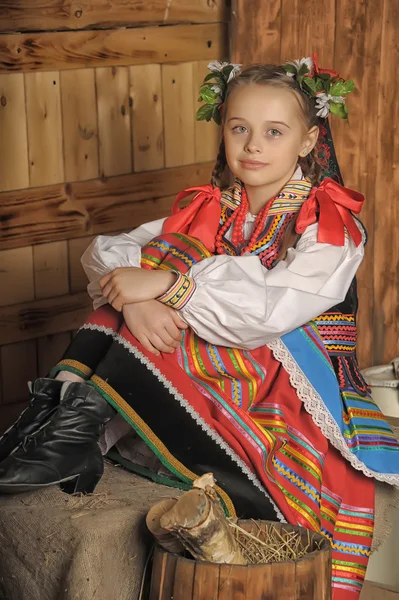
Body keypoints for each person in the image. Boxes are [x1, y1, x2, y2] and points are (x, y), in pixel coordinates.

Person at [0, 56, 398, 598]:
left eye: (273, 132)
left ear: (308, 141)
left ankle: (72, 422)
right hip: (222, 367)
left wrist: (165, 286)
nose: (253, 146)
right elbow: (108, 254)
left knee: (161, 271)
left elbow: (265, 317)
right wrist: (140, 298)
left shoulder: (328, 223)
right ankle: (73, 426)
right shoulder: (211, 207)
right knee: (148, 266)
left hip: (288, 389)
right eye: (239, 129)